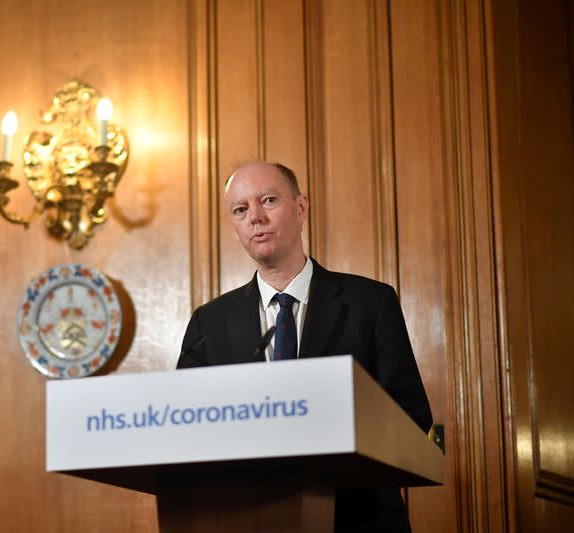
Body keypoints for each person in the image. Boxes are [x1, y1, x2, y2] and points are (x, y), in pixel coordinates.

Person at [177, 161, 432, 532]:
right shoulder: (208, 322)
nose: (256, 218)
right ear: (234, 227)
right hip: (246, 518)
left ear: (300, 209)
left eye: (268, 200)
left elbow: (410, 415)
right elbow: (184, 425)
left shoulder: (371, 303)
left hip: (358, 517)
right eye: (241, 210)